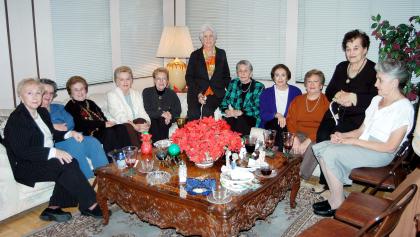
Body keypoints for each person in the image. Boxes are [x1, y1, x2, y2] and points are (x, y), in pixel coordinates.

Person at [311, 59, 414, 217]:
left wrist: (352, 141)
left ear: (394, 83)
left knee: (330, 153)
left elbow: (390, 147)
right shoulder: (376, 100)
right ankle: (337, 196)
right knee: (321, 147)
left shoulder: (404, 108)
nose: (376, 84)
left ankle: (337, 202)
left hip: (381, 152)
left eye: (380, 80)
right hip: (365, 143)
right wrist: (342, 135)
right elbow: (361, 130)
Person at [3, 78, 104, 222]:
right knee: (65, 164)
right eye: (29, 93)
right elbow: (22, 151)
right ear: (21, 96)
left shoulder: (41, 112)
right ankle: (90, 204)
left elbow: (51, 133)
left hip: (43, 158)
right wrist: (54, 152)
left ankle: (53, 208)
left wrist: (70, 133)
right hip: (26, 165)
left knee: (69, 161)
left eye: (38, 93)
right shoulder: (17, 119)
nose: (35, 97)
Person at [316, 29, 377, 189]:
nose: (351, 52)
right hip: (333, 113)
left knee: (336, 141)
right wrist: (339, 95)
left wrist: (353, 98)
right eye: (348, 48)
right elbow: (329, 91)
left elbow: (376, 98)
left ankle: (338, 182)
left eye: (356, 48)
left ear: (365, 49)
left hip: (355, 118)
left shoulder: (373, 70)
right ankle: (326, 182)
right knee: (322, 135)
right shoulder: (341, 67)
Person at [40, 79, 108, 179]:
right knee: (75, 144)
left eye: (51, 93)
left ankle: (106, 178)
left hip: (70, 134)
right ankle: (89, 181)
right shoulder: (34, 110)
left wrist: (66, 127)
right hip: (56, 141)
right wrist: (53, 126)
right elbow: (37, 127)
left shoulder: (58, 107)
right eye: (45, 92)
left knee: (93, 142)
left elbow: (71, 121)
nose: (48, 96)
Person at [64, 76, 131, 159]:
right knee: (109, 131)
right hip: (87, 134)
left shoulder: (90, 103)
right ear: (70, 92)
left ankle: (129, 157)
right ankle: (115, 160)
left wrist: (108, 123)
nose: (80, 92)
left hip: (101, 129)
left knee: (121, 127)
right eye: (76, 90)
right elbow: (79, 124)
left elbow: (102, 117)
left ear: (86, 89)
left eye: (82, 89)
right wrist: (103, 124)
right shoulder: (70, 106)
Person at [285, 70, 329, 179]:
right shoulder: (298, 100)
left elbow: (325, 126)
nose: (312, 84)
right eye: (309, 81)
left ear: (321, 85)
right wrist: (294, 138)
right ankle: (287, 172)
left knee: (315, 147)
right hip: (298, 133)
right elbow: (290, 120)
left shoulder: (326, 102)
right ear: (305, 84)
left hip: (316, 135)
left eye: (315, 81)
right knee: (290, 143)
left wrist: (307, 141)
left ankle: (299, 176)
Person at [186, 24, 231, 120]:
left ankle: (206, 135)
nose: (208, 39)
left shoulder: (221, 53)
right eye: (205, 36)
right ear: (201, 39)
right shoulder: (195, 55)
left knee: (207, 111)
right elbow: (189, 77)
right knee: (193, 113)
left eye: (211, 36)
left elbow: (226, 76)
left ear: (215, 38)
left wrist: (232, 92)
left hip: (215, 92)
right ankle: (193, 135)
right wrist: (198, 93)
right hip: (197, 91)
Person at [259, 64, 302, 150]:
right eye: (277, 75)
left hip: (289, 123)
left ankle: (277, 152)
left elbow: (299, 112)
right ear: (273, 77)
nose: (280, 78)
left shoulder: (296, 92)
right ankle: (280, 152)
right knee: (277, 122)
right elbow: (262, 114)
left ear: (287, 77)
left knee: (283, 125)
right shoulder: (266, 93)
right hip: (271, 123)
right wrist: (276, 115)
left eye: (283, 75)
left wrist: (286, 119)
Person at [107, 66, 150, 146]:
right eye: (122, 80)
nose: (125, 82)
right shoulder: (112, 95)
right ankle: (136, 152)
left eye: (128, 79)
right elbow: (119, 116)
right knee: (128, 126)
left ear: (131, 80)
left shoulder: (136, 94)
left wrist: (147, 123)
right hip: (120, 124)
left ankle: (146, 149)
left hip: (135, 123)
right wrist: (134, 126)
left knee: (142, 120)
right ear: (116, 82)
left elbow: (142, 111)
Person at [220, 60, 265, 135]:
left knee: (239, 121)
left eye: (246, 71)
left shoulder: (259, 86)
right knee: (227, 121)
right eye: (240, 71)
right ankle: (230, 143)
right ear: (237, 73)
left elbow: (258, 108)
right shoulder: (233, 83)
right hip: (234, 115)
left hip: (251, 116)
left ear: (251, 73)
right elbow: (224, 103)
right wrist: (227, 110)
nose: (243, 73)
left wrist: (241, 112)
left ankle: (239, 143)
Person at [142, 67, 181, 143]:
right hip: (152, 119)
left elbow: (177, 111)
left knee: (162, 121)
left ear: (167, 81)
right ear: (154, 80)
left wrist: (170, 116)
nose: (161, 81)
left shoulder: (172, 93)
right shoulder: (147, 92)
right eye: (158, 79)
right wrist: (162, 114)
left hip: (166, 121)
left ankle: (161, 147)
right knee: (156, 122)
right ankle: (160, 147)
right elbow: (147, 109)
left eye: (164, 79)